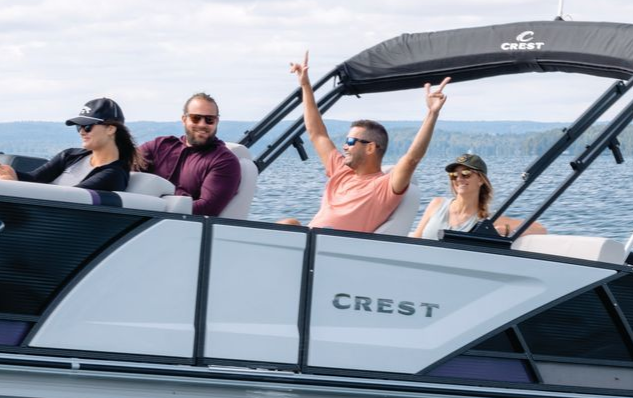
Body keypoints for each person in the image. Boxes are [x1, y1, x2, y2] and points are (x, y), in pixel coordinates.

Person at [281, 53, 450, 232]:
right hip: (311, 240)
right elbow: (317, 134)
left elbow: (411, 159)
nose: (345, 146)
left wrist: (432, 113)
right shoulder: (341, 170)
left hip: (335, 246)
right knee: (289, 223)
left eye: (351, 141)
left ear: (370, 147)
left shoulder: (384, 186)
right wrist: (305, 85)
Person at [0, 97, 138, 192]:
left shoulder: (113, 174)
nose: (81, 132)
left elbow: (71, 198)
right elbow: (34, 179)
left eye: (88, 127)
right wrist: (6, 172)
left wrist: (11, 184)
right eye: (79, 127)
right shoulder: (70, 155)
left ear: (110, 129)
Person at [140, 92, 242, 216]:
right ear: (184, 120)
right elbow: (125, 165)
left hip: (178, 225)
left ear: (217, 121)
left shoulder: (224, 161)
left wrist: (151, 206)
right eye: (195, 118)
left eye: (209, 120)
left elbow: (207, 209)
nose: (202, 124)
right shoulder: (159, 146)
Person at [412, 153, 545, 240]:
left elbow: (539, 229)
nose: (459, 179)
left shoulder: (487, 220)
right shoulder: (436, 204)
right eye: (454, 175)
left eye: (466, 174)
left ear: (480, 180)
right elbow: (415, 240)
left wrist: (506, 230)